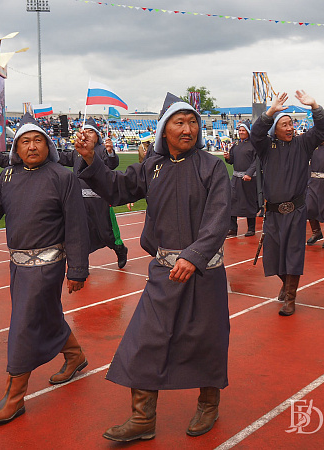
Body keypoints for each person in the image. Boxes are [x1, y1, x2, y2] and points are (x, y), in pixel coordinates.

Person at [75, 92, 231, 441]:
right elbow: (117, 189)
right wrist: (90, 159)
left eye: (192, 122)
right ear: (163, 130)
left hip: (203, 272)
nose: (188, 129)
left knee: (206, 339)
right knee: (145, 338)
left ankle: (208, 404)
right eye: (179, 122)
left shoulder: (212, 166)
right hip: (163, 272)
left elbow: (219, 216)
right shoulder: (152, 166)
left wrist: (194, 255)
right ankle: (143, 418)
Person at [0, 113, 89, 424]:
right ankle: (75, 355)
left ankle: (15, 397)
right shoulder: (7, 177)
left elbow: (76, 225)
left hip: (48, 266)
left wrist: (77, 269)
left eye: (37, 140)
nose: (31, 146)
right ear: (16, 148)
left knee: (24, 325)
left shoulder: (62, 177)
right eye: (25, 141)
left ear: (48, 145)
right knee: (44, 315)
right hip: (17, 266)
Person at [250, 91, 324, 316]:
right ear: (275, 130)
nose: (289, 128)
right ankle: (286, 284)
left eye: (291, 124)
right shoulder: (266, 147)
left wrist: (315, 106)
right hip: (273, 213)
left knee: (293, 254)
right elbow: (256, 133)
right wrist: (271, 111)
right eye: (284, 125)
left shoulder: (303, 144)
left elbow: (323, 129)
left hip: (295, 211)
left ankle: (290, 298)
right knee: (273, 256)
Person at [57, 117, 129, 268]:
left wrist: (110, 152)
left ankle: (120, 249)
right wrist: (48, 150)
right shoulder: (77, 152)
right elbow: (62, 157)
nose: (87, 134)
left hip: (100, 200)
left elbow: (111, 164)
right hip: (80, 201)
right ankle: (82, 266)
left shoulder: (102, 150)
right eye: (85, 131)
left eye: (91, 132)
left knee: (107, 233)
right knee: (81, 233)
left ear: (97, 136)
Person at [223, 123, 258, 237]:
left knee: (249, 202)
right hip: (236, 179)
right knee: (231, 201)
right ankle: (233, 228)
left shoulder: (254, 145)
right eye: (240, 130)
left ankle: (251, 228)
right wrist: (228, 158)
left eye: (243, 130)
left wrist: (249, 173)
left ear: (248, 131)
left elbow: (256, 161)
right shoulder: (236, 145)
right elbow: (232, 160)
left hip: (249, 179)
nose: (241, 132)